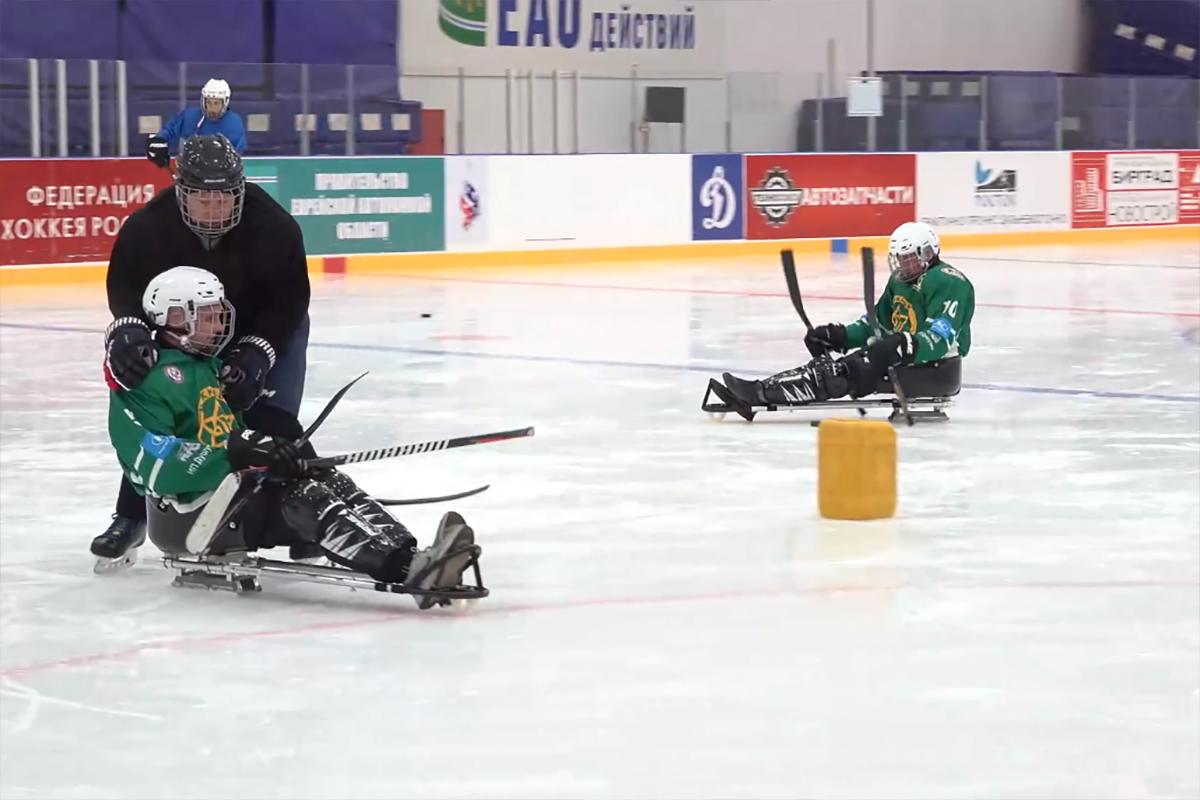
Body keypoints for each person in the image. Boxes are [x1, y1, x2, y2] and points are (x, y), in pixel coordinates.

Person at [107, 266, 476, 608]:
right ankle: (409, 571)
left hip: (232, 494)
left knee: (325, 479)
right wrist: (237, 450)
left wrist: (270, 446)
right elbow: (149, 461)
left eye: (220, 313)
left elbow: (230, 431)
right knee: (305, 498)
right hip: (192, 514)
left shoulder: (213, 367)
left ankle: (414, 556)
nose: (219, 324)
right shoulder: (145, 377)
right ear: (174, 316)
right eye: (208, 315)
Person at [95, 133, 311, 571]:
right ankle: (132, 516)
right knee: (172, 414)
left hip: (260, 331)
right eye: (201, 199)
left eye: (224, 198)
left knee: (274, 424)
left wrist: (257, 353)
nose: (213, 209)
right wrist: (130, 329)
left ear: (241, 190)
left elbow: (290, 303)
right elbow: (125, 288)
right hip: (194, 333)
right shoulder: (147, 228)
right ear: (181, 193)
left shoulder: (275, 226)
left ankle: (304, 519)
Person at [720, 222, 974, 411]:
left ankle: (759, 394)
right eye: (899, 259)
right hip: (905, 359)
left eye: (908, 259)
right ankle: (761, 389)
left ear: (927, 254)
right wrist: (839, 336)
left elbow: (939, 339)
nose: (902, 265)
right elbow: (877, 323)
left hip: (934, 369)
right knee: (834, 368)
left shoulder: (949, 282)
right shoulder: (900, 282)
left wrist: (900, 345)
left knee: (844, 374)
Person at [146, 79, 246, 167]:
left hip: (223, 175)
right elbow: (170, 130)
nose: (212, 107)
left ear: (225, 103)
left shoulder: (234, 123)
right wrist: (160, 140)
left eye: (216, 103)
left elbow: (235, 154)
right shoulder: (191, 116)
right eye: (209, 103)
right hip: (192, 173)